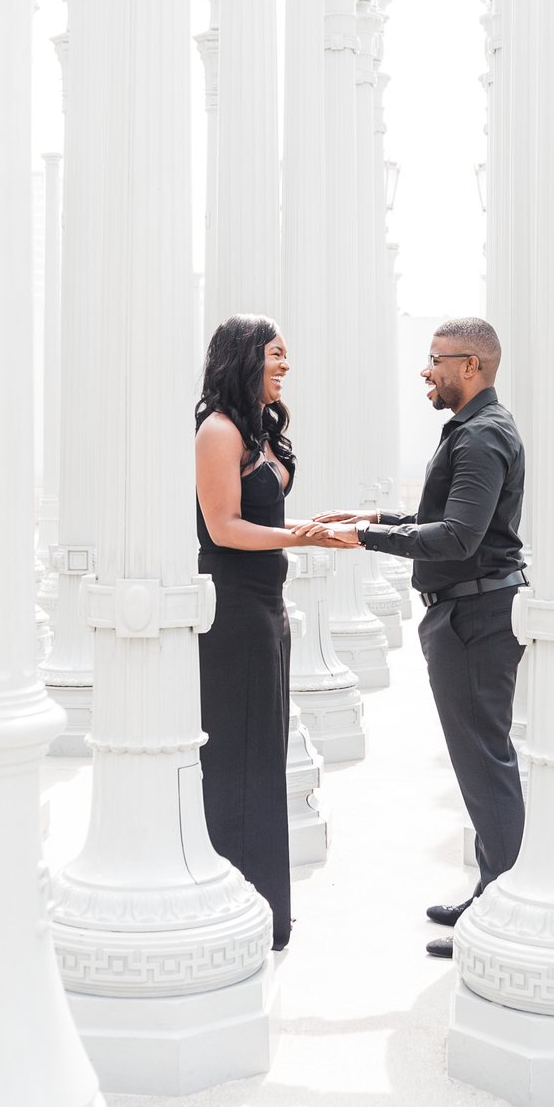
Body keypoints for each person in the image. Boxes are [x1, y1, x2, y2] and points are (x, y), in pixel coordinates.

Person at [299, 316, 525, 959]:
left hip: (474, 621)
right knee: (481, 761)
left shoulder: (481, 438)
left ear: (471, 367)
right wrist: (372, 517)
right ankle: (493, 892)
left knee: (485, 764)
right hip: (468, 615)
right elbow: (444, 520)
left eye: (436, 360)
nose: (426, 371)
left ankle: (503, 908)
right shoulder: (473, 433)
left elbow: (457, 539)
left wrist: (362, 538)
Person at [194, 314, 338, 952]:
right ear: (245, 358)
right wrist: (297, 537)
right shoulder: (217, 431)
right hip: (231, 607)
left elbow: (266, 520)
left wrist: (314, 527)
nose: (285, 367)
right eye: (276, 355)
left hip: (268, 606)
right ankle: (236, 907)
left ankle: (267, 911)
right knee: (234, 759)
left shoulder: (261, 433)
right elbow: (223, 527)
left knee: (265, 755)